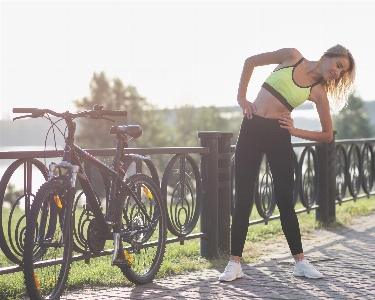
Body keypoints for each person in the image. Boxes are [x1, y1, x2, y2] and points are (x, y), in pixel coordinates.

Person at [219, 45, 356, 281]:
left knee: (284, 200)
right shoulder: (291, 56)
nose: (337, 73)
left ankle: (300, 263)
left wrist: (295, 130)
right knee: (242, 198)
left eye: (341, 72)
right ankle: (234, 263)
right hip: (251, 128)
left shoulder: (317, 92)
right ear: (327, 56)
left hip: (278, 136)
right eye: (338, 65)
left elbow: (328, 134)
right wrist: (242, 98)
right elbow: (250, 61)